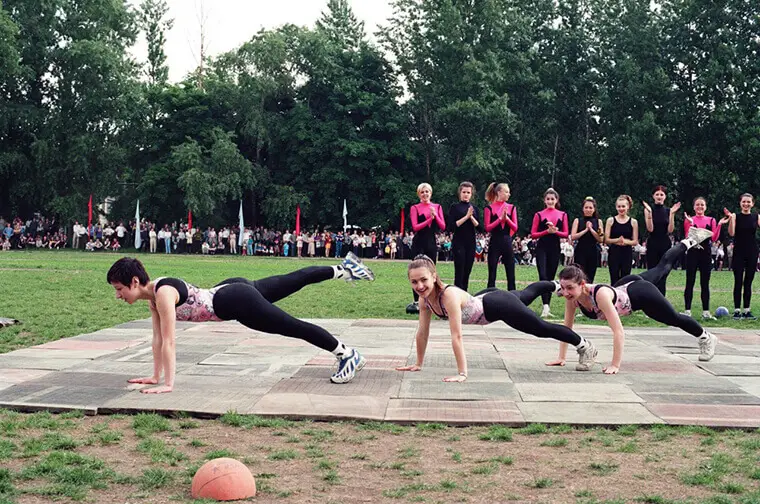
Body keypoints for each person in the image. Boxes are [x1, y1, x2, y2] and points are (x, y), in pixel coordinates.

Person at [107, 253, 376, 394]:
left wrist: (168, 383)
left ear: (134, 282)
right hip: (231, 291)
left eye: (119, 289)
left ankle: (347, 354)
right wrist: (155, 377)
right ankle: (345, 269)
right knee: (291, 280)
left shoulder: (163, 294)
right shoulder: (155, 297)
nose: (118, 296)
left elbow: (169, 341)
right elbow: (157, 341)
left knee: (292, 326)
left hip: (235, 300)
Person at [545, 226, 718, 374]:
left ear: (582, 284)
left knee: (673, 317)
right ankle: (690, 240)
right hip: (625, 287)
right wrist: (562, 357)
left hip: (641, 294)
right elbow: (567, 328)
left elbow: (618, 331)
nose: (565, 292)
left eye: (570, 288)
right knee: (661, 268)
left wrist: (615, 365)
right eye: (563, 288)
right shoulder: (572, 298)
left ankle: (706, 337)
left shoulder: (600, 296)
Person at [396, 255, 598, 380]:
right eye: (414, 282)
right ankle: (555, 285)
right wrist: (418, 363)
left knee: (540, 328)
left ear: (434, 276)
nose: (419, 286)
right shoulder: (424, 300)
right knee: (525, 295)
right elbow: (422, 332)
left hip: (496, 306)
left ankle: (585, 346)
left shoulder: (447, 296)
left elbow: (456, 336)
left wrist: (462, 373)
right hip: (488, 298)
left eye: (424, 279)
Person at [682, 197, 728, 319]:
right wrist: (690, 223)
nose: (700, 207)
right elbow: (687, 236)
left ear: (705, 207)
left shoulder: (711, 220)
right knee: (689, 282)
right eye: (697, 204)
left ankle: (706, 312)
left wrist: (719, 224)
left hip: (705, 253)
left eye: (702, 205)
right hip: (692, 252)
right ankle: (687, 311)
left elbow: (714, 238)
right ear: (694, 207)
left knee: (705, 283)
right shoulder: (689, 219)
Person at [406, 183, 446, 313]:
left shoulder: (437, 207)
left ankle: (432, 300)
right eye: (422, 192)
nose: (425, 194)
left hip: (431, 242)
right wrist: (429, 219)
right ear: (419, 194)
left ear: (431, 193)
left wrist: (436, 216)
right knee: (416, 270)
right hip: (419, 242)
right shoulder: (415, 208)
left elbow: (443, 226)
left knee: (431, 271)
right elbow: (415, 227)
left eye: (427, 191)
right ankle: (417, 301)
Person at [530, 188, 569, 318]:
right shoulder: (539, 214)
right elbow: (533, 234)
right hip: (542, 247)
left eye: (552, 199)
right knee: (543, 275)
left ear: (556, 200)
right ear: (544, 200)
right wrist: (546, 231)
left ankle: (548, 305)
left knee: (551, 277)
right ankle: (545, 306)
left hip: (555, 247)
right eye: (548, 199)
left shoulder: (562, 214)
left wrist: (555, 231)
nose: (550, 201)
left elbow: (565, 233)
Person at [726, 193, 760, 320]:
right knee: (738, 281)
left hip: (752, 251)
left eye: (748, 202)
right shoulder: (735, 216)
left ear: (752, 203)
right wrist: (731, 219)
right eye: (744, 202)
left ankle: (746, 310)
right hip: (739, 251)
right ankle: (737, 311)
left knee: (748, 282)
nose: (746, 204)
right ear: (740, 203)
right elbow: (731, 233)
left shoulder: (756, 216)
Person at [642, 186, 680, 295]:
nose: (659, 196)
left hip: (665, 244)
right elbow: (650, 229)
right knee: (652, 272)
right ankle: (651, 297)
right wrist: (650, 213)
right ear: (653, 196)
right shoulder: (648, 209)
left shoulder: (668, 211)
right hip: (653, 243)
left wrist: (672, 214)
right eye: (657, 194)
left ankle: (662, 298)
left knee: (663, 273)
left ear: (665, 197)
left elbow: (670, 230)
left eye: (661, 194)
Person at [483, 183, 517, 291]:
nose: (509, 194)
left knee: (511, 272)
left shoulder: (512, 207)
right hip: (495, 241)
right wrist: (499, 219)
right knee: (492, 272)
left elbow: (515, 227)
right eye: (506, 192)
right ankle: (490, 294)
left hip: (507, 241)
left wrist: (507, 219)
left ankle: (513, 295)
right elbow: (487, 228)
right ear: (499, 192)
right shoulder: (489, 208)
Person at [448, 181, 480, 292]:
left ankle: (465, 294)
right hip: (458, 242)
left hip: (471, 242)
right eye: (464, 192)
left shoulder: (474, 208)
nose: (466, 194)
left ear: (471, 194)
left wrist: (471, 217)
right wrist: (466, 217)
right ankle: (457, 295)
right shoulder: (454, 207)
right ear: (460, 193)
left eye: (468, 192)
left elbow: (480, 228)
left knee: (467, 270)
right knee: (459, 270)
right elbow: (451, 227)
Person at [605, 195, 639, 286]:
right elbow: (606, 239)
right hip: (614, 252)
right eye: (619, 206)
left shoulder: (633, 222)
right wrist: (617, 240)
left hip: (627, 253)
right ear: (616, 207)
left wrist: (625, 241)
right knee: (614, 278)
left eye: (623, 206)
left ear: (628, 207)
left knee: (625, 279)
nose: (621, 208)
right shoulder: (610, 220)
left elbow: (635, 241)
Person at [571, 197, 604, 283]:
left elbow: (601, 239)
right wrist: (585, 230)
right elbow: (573, 236)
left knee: (590, 277)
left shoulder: (598, 221)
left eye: (590, 208)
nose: (588, 210)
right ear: (583, 208)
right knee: (579, 276)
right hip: (580, 250)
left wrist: (591, 230)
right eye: (586, 207)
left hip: (593, 250)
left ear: (594, 209)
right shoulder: (578, 220)